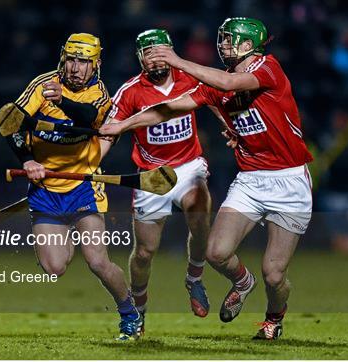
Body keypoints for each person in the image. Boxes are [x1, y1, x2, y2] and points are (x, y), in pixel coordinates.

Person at [100, 18, 313, 340]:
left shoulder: (268, 68)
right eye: (223, 39)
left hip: (290, 180)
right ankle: (243, 282)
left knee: (274, 273)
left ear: (248, 44)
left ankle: (273, 318)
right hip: (251, 179)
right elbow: (167, 110)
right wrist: (122, 125)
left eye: (230, 40)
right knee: (216, 253)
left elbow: (230, 86)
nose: (223, 44)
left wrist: (176, 59)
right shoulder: (216, 82)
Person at [4, 33, 141, 341]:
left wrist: (61, 100)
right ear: (63, 59)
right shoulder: (42, 85)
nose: (76, 68)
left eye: (84, 62)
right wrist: (27, 160)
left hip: (83, 187)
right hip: (45, 190)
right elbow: (9, 122)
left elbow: (90, 117)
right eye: (72, 60)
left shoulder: (99, 94)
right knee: (54, 267)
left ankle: (130, 314)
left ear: (96, 65)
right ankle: (62, 238)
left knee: (97, 260)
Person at [105, 29, 216, 329]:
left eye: (160, 52)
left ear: (172, 51)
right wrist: (95, 157)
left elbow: (216, 96)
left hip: (190, 164)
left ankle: (194, 277)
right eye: (149, 54)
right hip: (152, 175)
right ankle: (138, 308)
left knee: (200, 210)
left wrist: (227, 126)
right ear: (139, 58)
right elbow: (110, 130)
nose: (155, 60)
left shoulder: (190, 76)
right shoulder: (130, 91)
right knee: (144, 252)